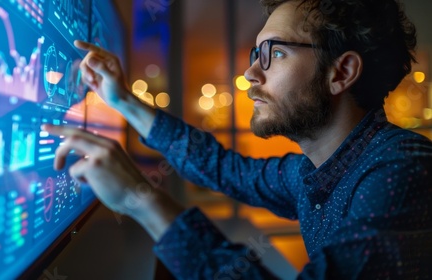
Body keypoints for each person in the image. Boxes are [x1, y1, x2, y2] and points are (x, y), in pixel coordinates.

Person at [42, 0, 432, 278]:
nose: (249, 74)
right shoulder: (315, 171)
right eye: (254, 53)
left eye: (274, 54)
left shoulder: (402, 175)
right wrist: (123, 100)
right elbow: (222, 168)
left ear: (341, 72)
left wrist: (142, 201)